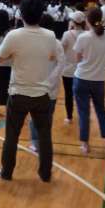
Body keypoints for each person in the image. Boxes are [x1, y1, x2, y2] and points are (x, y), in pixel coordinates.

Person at [0, 0, 57, 183]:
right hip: (42, 94)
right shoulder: (50, 35)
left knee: (11, 136)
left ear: (21, 15)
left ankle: (7, 172)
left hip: (18, 93)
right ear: (41, 15)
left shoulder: (14, 35)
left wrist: (15, 56)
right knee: (45, 136)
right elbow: (51, 56)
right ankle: (45, 174)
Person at [73, 7, 105, 154]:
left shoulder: (83, 37)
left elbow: (77, 58)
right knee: (101, 110)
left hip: (82, 78)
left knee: (83, 112)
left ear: (87, 20)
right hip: (99, 80)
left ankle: (85, 144)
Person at [29, 14, 64, 151]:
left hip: (44, 88)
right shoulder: (52, 43)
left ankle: (39, 142)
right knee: (41, 116)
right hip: (43, 87)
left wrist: (47, 81)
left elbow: (60, 65)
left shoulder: (55, 44)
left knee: (40, 116)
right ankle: (38, 142)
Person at [61, 11, 86, 123]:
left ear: (73, 22)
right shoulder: (87, 34)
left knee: (68, 94)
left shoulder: (67, 34)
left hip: (68, 70)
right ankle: (83, 116)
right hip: (82, 70)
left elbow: (62, 50)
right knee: (82, 95)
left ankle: (69, 116)